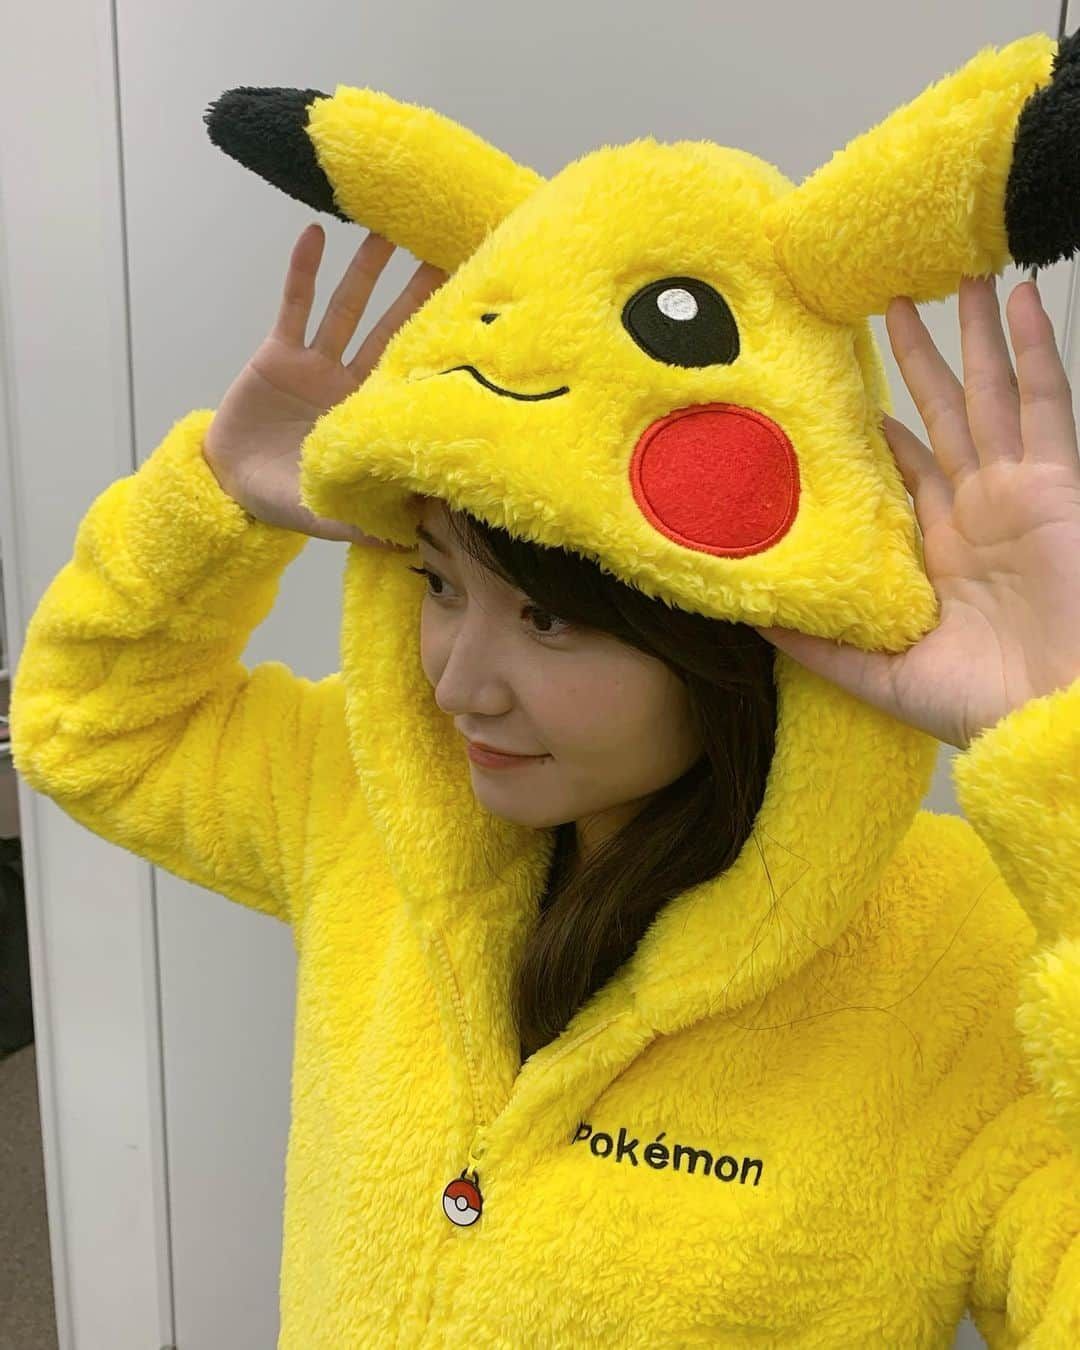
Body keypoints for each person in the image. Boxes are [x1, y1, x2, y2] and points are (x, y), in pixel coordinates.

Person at [10, 51, 1080, 1343]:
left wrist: (1060, 730)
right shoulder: (372, 801)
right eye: (438, 582)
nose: (457, 683)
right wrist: (217, 502)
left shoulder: (959, 960)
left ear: (730, 630)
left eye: (550, 617)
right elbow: (88, 726)